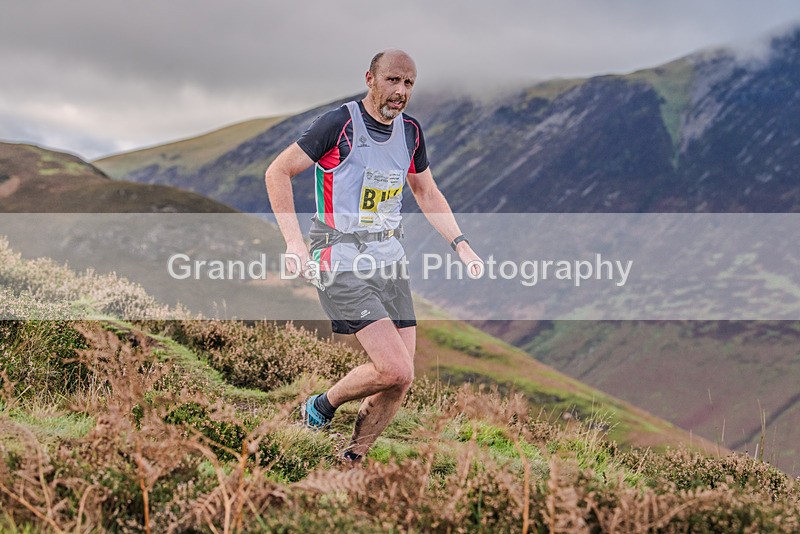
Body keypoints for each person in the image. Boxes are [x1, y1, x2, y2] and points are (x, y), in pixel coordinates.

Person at [265, 49, 483, 464]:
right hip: (339, 257)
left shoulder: (411, 132)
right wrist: (293, 242)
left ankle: (352, 461)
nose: (400, 91)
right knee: (393, 368)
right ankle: (320, 406)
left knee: (401, 379)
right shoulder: (339, 124)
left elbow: (426, 191)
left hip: (389, 260)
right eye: (392, 80)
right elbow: (278, 171)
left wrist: (461, 244)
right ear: (370, 79)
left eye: (408, 83)